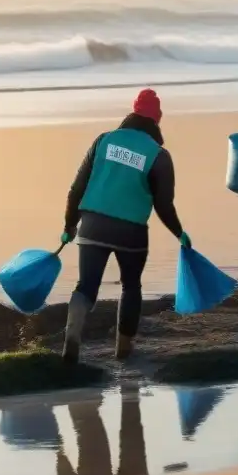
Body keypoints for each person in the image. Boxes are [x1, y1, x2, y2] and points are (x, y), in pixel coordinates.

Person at [61, 88, 189, 363]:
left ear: (132, 113)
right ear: (156, 120)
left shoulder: (103, 141)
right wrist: (180, 233)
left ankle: (72, 337)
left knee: (85, 286)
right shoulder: (158, 155)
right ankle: (123, 350)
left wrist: (69, 225)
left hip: (92, 226)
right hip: (130, 231)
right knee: (131, 286)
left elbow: (76, 189)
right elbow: (163, 205)